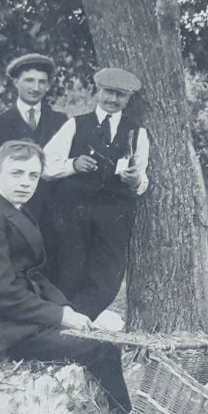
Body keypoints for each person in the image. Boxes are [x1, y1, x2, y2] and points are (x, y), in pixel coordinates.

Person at [0, 141, 129, 412]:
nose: (26, 183)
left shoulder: (12, 209)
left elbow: (34, 273)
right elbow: (0, 293)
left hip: (14, 320)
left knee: (102, 337)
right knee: (101, 348)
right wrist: (60, 317)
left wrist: (64, 306)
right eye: (17, 173)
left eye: (33, 175)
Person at [43, 66, 150, 320]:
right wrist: (73, 164)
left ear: (128, 99)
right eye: (109, 92)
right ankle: (61, 323)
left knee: (108, 275)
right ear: (98, 91)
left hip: (113, 213)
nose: (113, 100)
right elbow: (44, 166)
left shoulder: (137, 133)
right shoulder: (75, 125)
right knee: (69, 269)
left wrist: (135, 180)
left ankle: (77, 321)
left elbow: (142, 178)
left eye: (120, 95)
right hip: (72, 210)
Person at [0, 53, 68, 222]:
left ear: (48, 86)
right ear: (16, 82)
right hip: (13, 212)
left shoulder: (61, 121)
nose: (35, 88)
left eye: (42, 82)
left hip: (53, 212)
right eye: (29, 80)